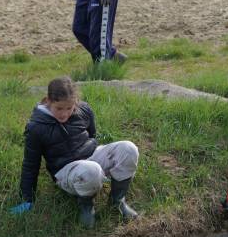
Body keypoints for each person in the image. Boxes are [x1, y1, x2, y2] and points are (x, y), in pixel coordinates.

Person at [10, 76, 139, 227]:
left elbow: (92, 135)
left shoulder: (84, 110)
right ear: (48, 101)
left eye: (69, 108)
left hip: (91, 156)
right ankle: (86, 206)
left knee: (128, 149)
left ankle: (117, 201)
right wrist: (27, 199)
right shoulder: (36, 128)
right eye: (59, 108)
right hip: (66, 171)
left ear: (75, 103)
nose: (64, 114)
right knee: (91, 170)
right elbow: (30, 165)